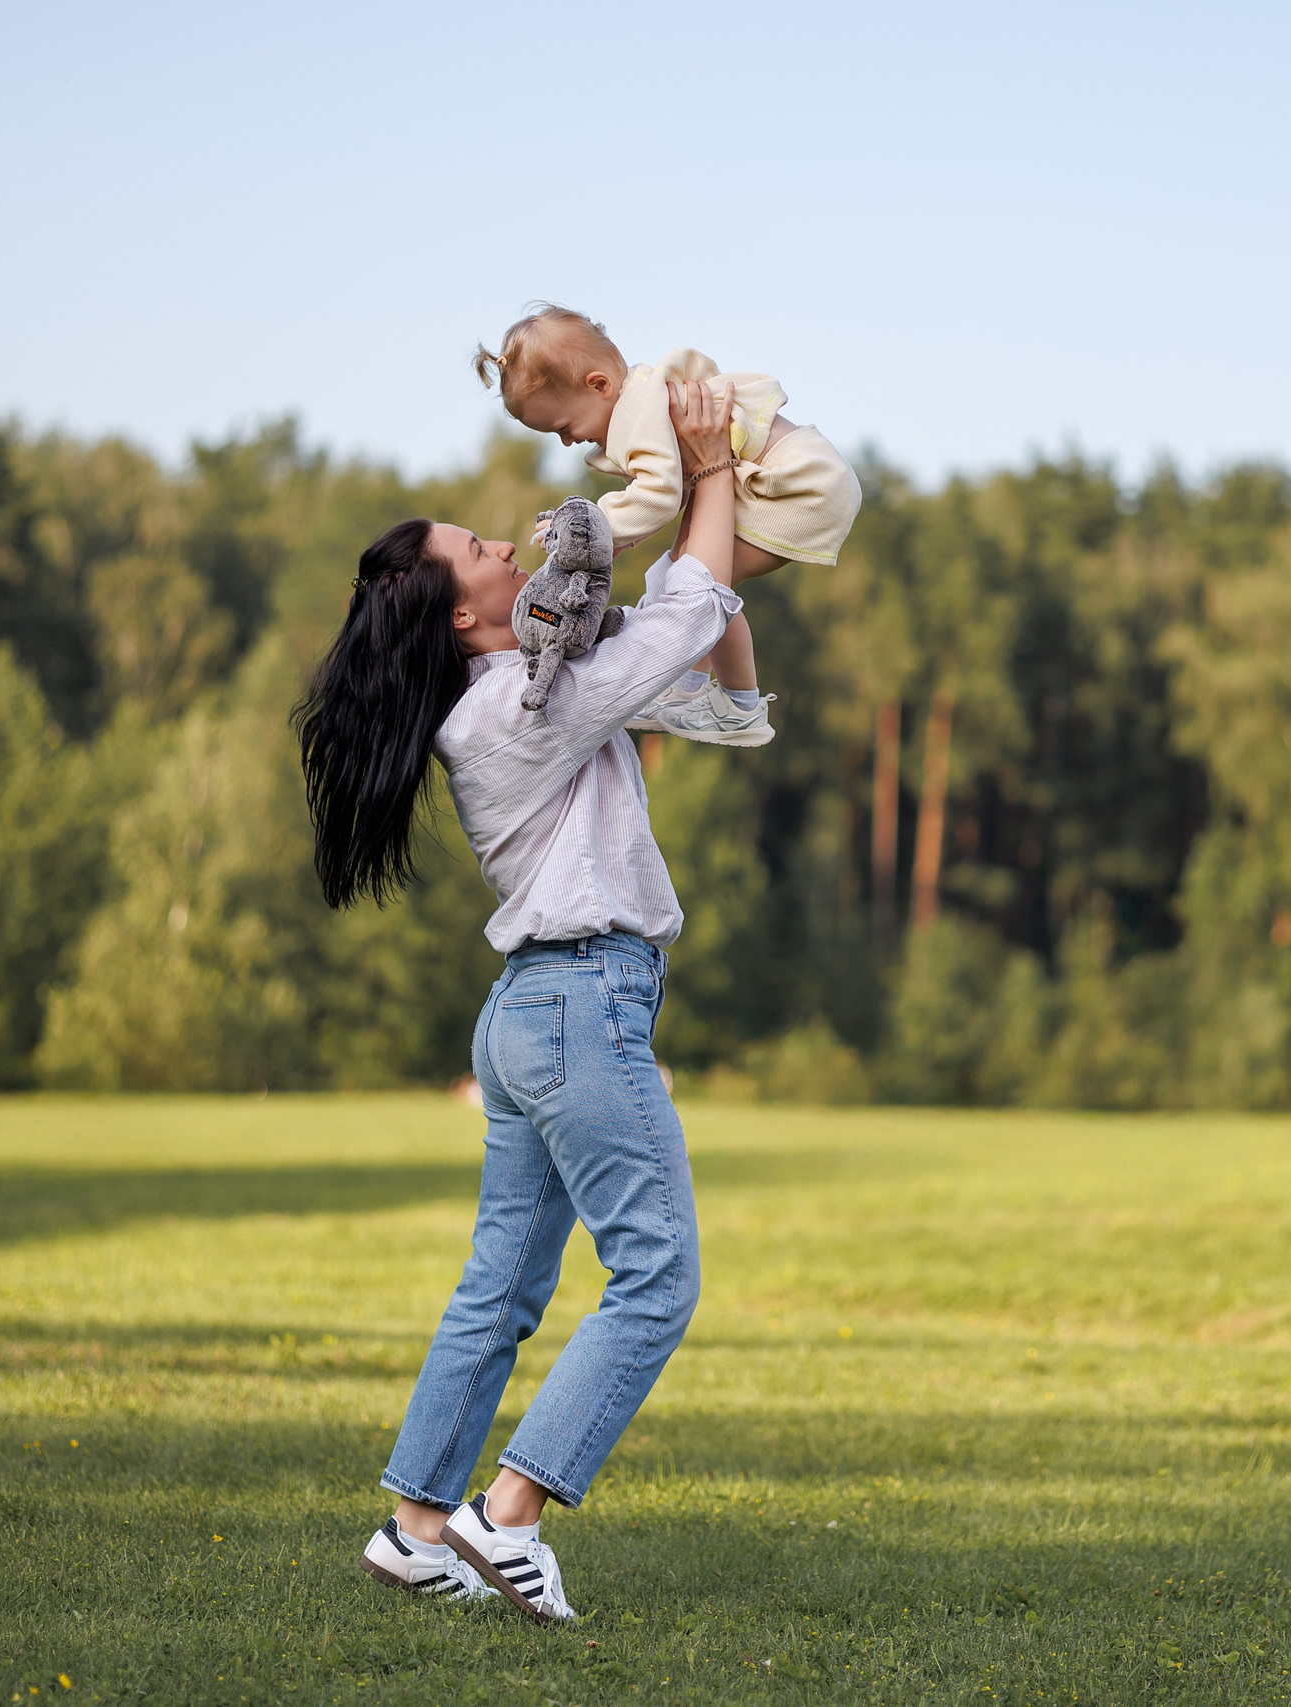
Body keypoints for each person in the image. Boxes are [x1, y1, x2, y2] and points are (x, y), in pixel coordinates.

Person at [293, 377, 747, 1621]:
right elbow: (684, 619)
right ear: (461, 616)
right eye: (479, 552)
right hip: (577, 1005)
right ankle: (509, 1516)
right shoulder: (515, 708)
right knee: (656, 1277)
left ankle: (412, 1526)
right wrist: (708, 470)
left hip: (532, 1020)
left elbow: (666, 637)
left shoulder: (514, 692)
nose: (503, 543)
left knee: (500, 1291)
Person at [476, 303, 862, 749]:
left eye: (563, 426)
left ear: (598, 385)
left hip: (797, 486)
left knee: (700, 588)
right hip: (787, 478)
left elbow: (659, 495)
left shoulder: (636, 417)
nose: (567, 441)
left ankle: (739, 708)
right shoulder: (642, 399)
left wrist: (597, 527)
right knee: (670, 579)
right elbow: (668, 490)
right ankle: (687, 690)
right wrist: (613, 539)